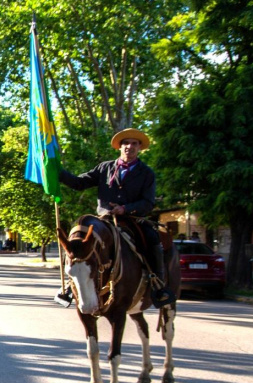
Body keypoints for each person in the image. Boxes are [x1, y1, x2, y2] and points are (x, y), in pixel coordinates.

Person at [58, 128, 174, 306]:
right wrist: (56, 171)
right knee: (79, 238)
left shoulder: (147, 173)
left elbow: (148, 202)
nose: (129, 146)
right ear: (120, 147)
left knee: (153, 239)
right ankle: (69, 287)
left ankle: (158, 285)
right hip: (104, 219)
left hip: (132, 220)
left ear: (139, 148)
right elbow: (79, 183)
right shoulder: (105, 167)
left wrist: (125, 208)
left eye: (134, 143)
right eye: (126, 143)